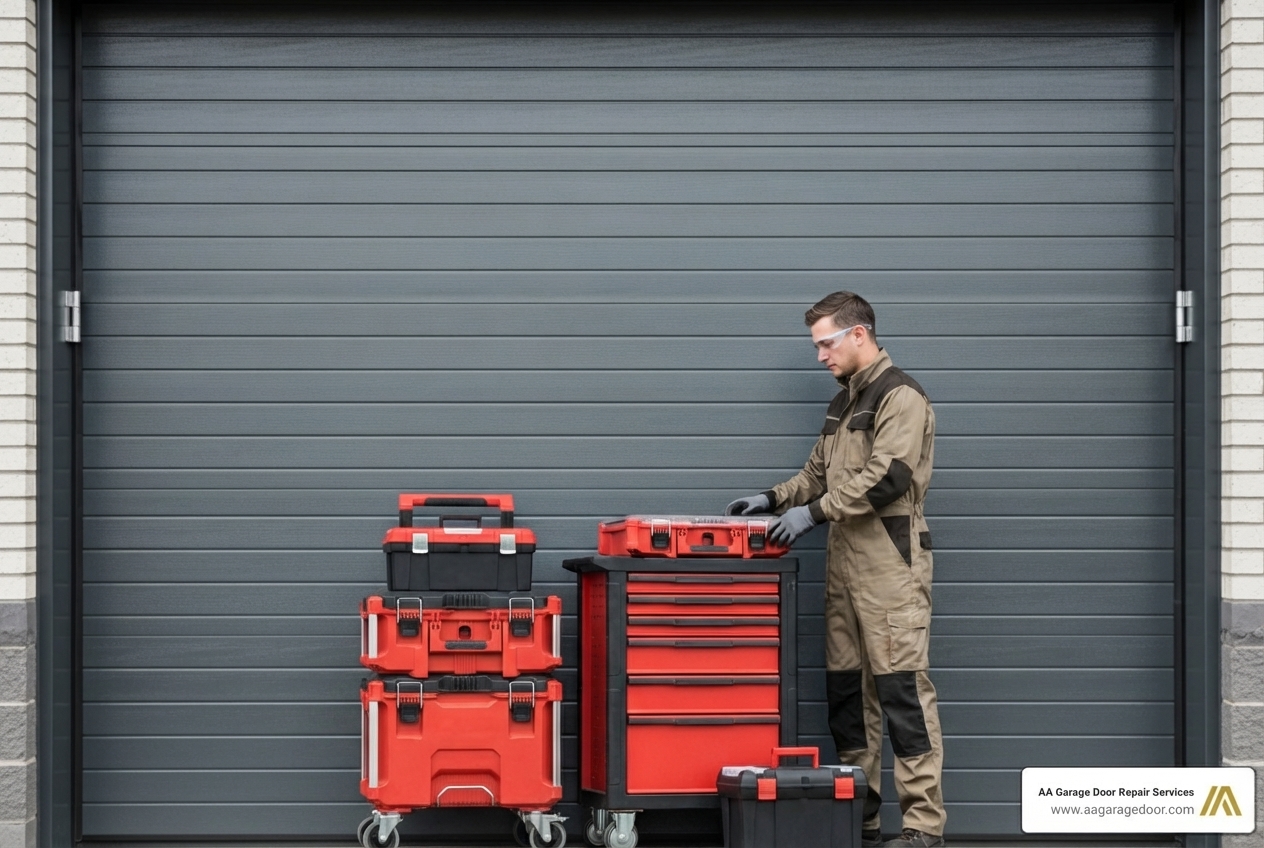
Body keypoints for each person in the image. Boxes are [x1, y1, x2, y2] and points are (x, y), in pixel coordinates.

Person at [725, 291, 946, 848]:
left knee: (902, 694)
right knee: (848, 699)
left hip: (890, 568)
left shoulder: (900, 396)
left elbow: (887, 477)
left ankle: (923, 828)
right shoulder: (843, 404)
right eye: (817, 346)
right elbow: (816, 475)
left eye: (826, 344)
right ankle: (861, 821)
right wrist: (774, 498)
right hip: (845, 571)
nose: (821, 356)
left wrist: (813, 514)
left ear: (858, 334)